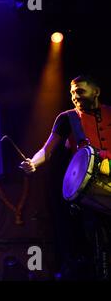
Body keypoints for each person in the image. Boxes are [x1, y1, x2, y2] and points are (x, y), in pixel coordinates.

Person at [20, 75, 111, 280]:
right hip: (89, 194)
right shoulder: (67, 118)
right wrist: (33, 162)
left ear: (96, 92)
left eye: (80, 91)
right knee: (96, 250)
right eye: (72, 93)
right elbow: (46, 150)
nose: (75, 96)